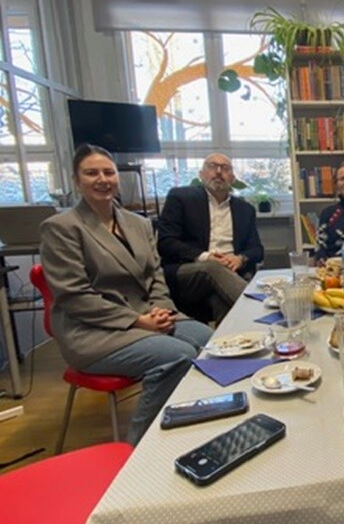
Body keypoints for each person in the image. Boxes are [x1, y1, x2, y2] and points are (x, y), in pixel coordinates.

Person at [40, 144, 212, 445]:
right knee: (178, 356)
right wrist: (138, 321)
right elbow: (75, 296)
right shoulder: (61, 228)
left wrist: (160, 310)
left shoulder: (139, 224)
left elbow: (155, 277)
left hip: (148, 317)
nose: (102, 179)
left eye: (109, 172)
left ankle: (188, 428)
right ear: (76, 181)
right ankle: (139, 448)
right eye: (91, 173)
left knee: (210, 341)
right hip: (93, 332)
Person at [157, 153, 264, 323]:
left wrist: (239, 259)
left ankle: (230, 339)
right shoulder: (181, 198)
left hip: (231, 273)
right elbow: (166, 242)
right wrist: (207, 257)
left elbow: (257, 249)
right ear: (201, 175)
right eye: (212, 166)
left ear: (233, 178)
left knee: (220, 299)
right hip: (189, 270)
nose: (219, 172)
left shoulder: (245, 209)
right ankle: (260, 311)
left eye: (225, 168)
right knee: (213, 268)